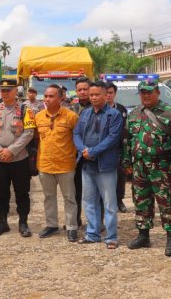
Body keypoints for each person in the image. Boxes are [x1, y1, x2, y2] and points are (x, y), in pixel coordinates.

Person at [123, 77, 171, 254]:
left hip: (161, 166)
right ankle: (143, 235)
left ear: (157, 92)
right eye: (143, 92)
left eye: (149, 92)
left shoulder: (169, 113)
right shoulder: (134, 113)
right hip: (140, 166)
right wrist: (127, 161)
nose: (146, 95)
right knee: (141, 201)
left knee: (167, 202)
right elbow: (127, 140)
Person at [73, 81, 122, 249]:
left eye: (97, 94)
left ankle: (111, 237)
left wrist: (93, 151)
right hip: (87, 165)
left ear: (105, 95)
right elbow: (77, 133)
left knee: (109, 203)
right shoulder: (85, 114)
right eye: (91, 95)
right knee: (89, 201)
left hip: (105, 165)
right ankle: (92, 234)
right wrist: (83, 149)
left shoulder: (114, 115)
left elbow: (112, 138)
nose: (93, 97)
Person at [0, 79, 36, 238]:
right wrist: (0, 151)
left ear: (16, 91)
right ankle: (2, 222)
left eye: (9, 90)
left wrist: (11, 151)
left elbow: (29, 133)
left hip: (19, 159)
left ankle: (23, 222)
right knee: (1, 193)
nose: (5, 93)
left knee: (22, 192)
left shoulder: (25, 109)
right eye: (3, 90)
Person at [35, 85, 79, 241]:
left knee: (69, 198)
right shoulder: (38, 117)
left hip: (65, 165)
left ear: (61, 98)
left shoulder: (71, 116)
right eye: (46, 96)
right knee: (49, 197)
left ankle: (72, 227)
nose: (47, 99)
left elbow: (78, 139)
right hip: (45, 164)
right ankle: (51, 225)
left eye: (51, 96)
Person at [70, 77, 91, 228]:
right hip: (76, 156)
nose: (82, 92)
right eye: (79, 90)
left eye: (85, 89)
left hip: (93, 154)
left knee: (95, 192)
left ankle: (96, 222)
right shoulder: (71, 110)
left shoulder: (98, 107)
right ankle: (75, 219)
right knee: (75, 190)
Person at [106, 82, 129, 213]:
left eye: (111, 93)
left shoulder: (121, 109)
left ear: (115, 94)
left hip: (119, 148)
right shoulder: (99, 109)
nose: (108, 95)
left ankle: (119, 200)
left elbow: (125, 128)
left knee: (120, 177)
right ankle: (108, 202)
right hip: (105, 149)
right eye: (107, 93)